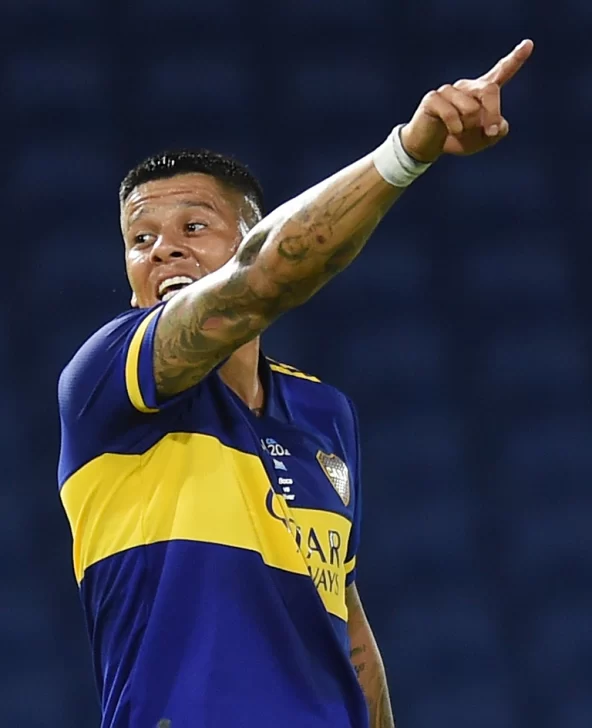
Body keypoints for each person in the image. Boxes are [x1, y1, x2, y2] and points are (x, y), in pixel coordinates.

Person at [57, 39, 534, 728]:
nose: (163, 249)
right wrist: (408, 152)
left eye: (194, 225)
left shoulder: (323, 411)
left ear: (247, 236)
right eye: (141, 239)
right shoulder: (107, 380)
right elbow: (264, 278)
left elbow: (347, 629)